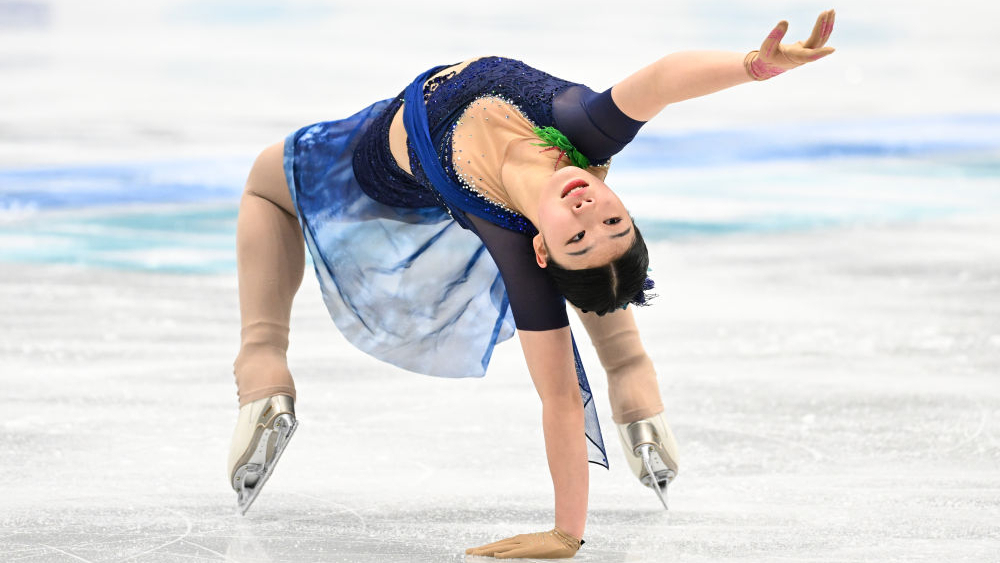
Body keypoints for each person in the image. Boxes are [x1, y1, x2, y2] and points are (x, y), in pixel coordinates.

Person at [227, 10, 836, 559]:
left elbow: (562, 399)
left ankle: (261, 364)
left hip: (377, 164)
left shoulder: (517, 249)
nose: (588, 210)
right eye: (614, 221)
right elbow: (663, 80)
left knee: (264, 188)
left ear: (541, 249)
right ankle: (631, 372)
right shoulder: (584, 128)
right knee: (598, 272)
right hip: (459, 151)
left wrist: (567, 533)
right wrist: (755, 67)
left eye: (578, 235)